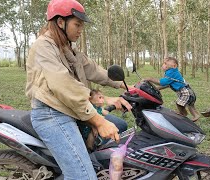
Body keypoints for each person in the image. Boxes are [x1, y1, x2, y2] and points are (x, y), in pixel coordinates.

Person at [25, 0, 132, 179]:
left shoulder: (67, 48)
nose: (80, 30)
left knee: (120, 126)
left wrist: (123, 84)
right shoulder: (43, 46)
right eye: (77, 24)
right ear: (61, 22)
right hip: (52, 114)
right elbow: (63, 85)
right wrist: (99, 121)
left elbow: (92, 69)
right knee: (83, 176)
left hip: (71, 109)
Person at [145, 57, 200, 122]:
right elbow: (168, 84)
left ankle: (183, 113)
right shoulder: (172, 72)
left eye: (165, 64)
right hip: (189, 91)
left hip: (186, 93)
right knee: (190, 105)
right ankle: (196, 115)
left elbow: (162, 82)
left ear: (174, 66)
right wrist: (157, 88)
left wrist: (150, 79)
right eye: (163, 63)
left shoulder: (171, 73)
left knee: (179, 103)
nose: (163, 65)